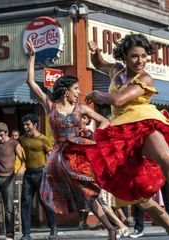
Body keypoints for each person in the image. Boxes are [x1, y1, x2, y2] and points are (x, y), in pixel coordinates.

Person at [65, 34, 169, 240]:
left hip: (143, 122)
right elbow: (99, 63)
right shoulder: (116, 72)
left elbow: (118, 99)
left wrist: (99, 95)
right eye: (134, 56)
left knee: (167, 157)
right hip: (121, 132)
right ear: (125, 56)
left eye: (144, 56)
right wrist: (95, 51)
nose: (140, 61)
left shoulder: (145, 78)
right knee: (139, 197)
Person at [25, 40, 117, 239]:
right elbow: (31, 83)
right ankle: (57, 225)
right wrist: (32, 58)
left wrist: (93, 138)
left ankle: (110, 227)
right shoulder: (50, 105)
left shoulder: (81, 109)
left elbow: (104, 122)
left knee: (88, 192)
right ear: (66, 90)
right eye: (76, 89)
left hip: (79, 154)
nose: (78, 93)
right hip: (59, 157)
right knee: (58, 191)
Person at [19, 113, 57, 240]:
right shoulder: (22, 139)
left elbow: (51, 156)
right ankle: (26, 233)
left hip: (41, 173)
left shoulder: (43, 139)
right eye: (24, 124)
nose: (25, 127)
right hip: (28, 174)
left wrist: (50, 172)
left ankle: (53, 229)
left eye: (28, 124)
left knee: (45, 202)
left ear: (35, 125)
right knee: (25, 203)